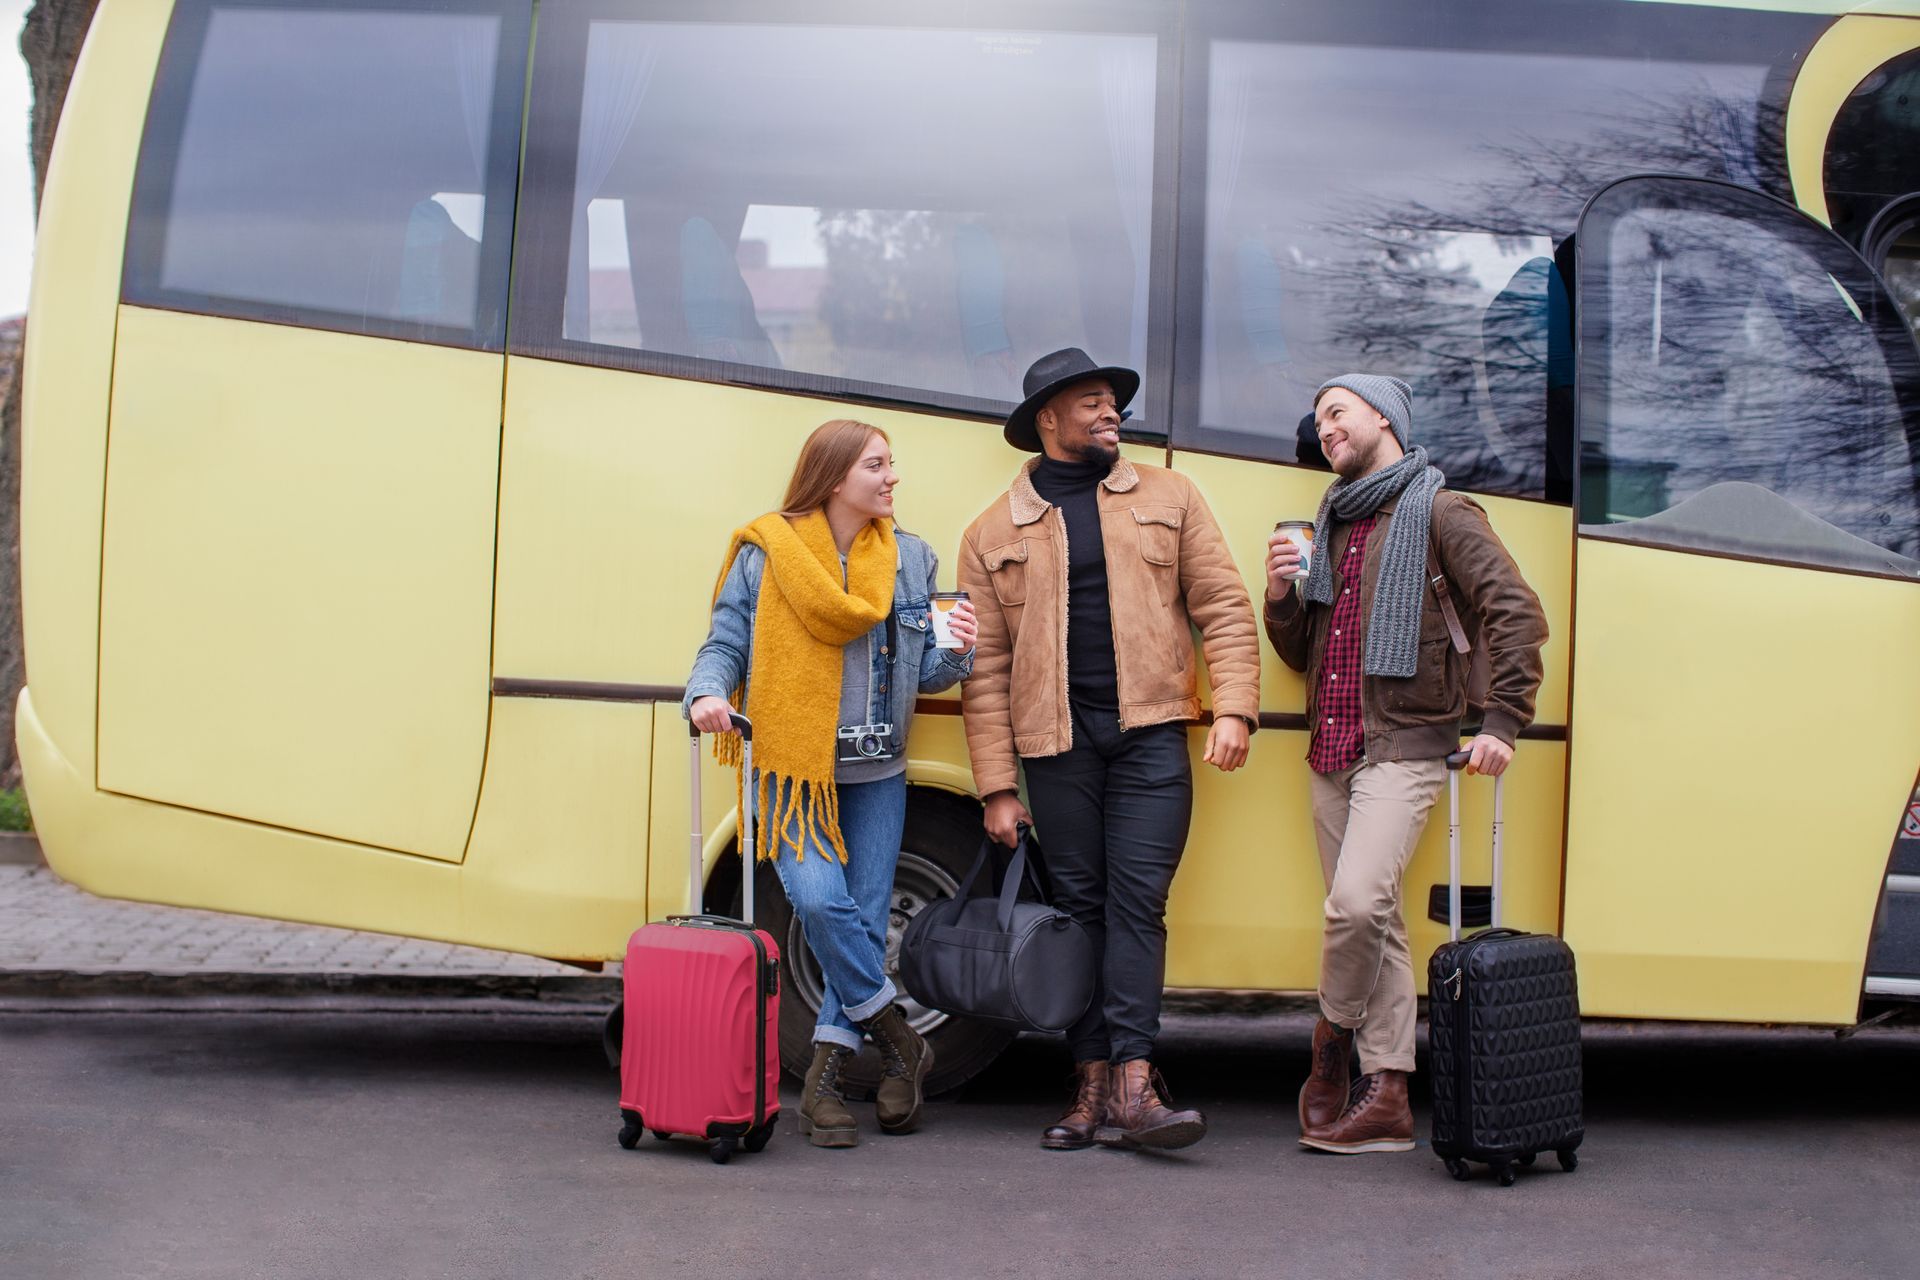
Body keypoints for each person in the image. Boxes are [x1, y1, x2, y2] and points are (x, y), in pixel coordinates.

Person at [957, 347, 1261, 1152]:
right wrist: (997, 787)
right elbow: (982, 672)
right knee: (1079, 913)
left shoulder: (1171, 495)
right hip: (1055, 749)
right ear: (1047, 421)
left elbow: (1224, 607)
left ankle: (1134, 1081)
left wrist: (1233, 708)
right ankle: (1088, 1086)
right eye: (1090, 402)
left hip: (1151, 737)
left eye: (1112, 401)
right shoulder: (993, 530)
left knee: (1138, 905)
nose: (1108, 413)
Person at [1264, 375, 1547, 1155]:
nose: (1324, 429)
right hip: (1329, 747)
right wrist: (1282, 590)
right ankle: (1386, 1093)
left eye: (1337, 412)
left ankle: (1329, 1044)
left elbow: (1514, 610)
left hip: (1405, 743)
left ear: (1382, 415)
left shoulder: (1442, 510)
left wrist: (1504, 720)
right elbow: (1302, 651)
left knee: (1355, 906)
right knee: (1376, 922)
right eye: (1317, 419)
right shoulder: (1332, 519)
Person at [684, 419, 977, 1149]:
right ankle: (897, 1034)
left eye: (891, 463)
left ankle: (822, 1087)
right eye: (877, 465)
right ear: (836, 475)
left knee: (864, 918)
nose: (891, 477)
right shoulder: (767, 554)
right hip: (792, 768)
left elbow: (926, 671)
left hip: (878, 771)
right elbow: (725, 642)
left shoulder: (911, 560)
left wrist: (960, 650)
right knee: (817, 899)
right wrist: (705, 694)